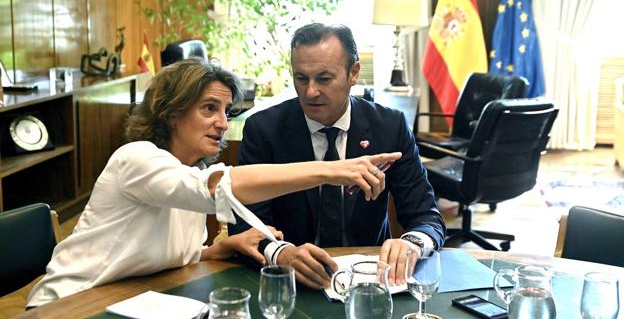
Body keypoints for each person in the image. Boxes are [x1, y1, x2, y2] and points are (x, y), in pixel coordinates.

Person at [26, 59, 400, 307]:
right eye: (209, 109)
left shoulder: (190, 173)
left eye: (226, 111)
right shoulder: (137, 159)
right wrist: (332, 170)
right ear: (171, 112)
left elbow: (158, 253)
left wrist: (217, 250)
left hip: (124, 302)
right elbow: (219, 187)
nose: (223, 124)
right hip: (70, 305)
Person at [229, 23, 445, 289]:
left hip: (371, 280)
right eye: (301, 78)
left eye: (323, 79)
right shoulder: (265, 130)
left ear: (353, 73)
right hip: (293, 282)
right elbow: (244, 225)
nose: (310, 92)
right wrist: (282, 253)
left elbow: (427, 216)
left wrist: (411, 244)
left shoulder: (389, 127)